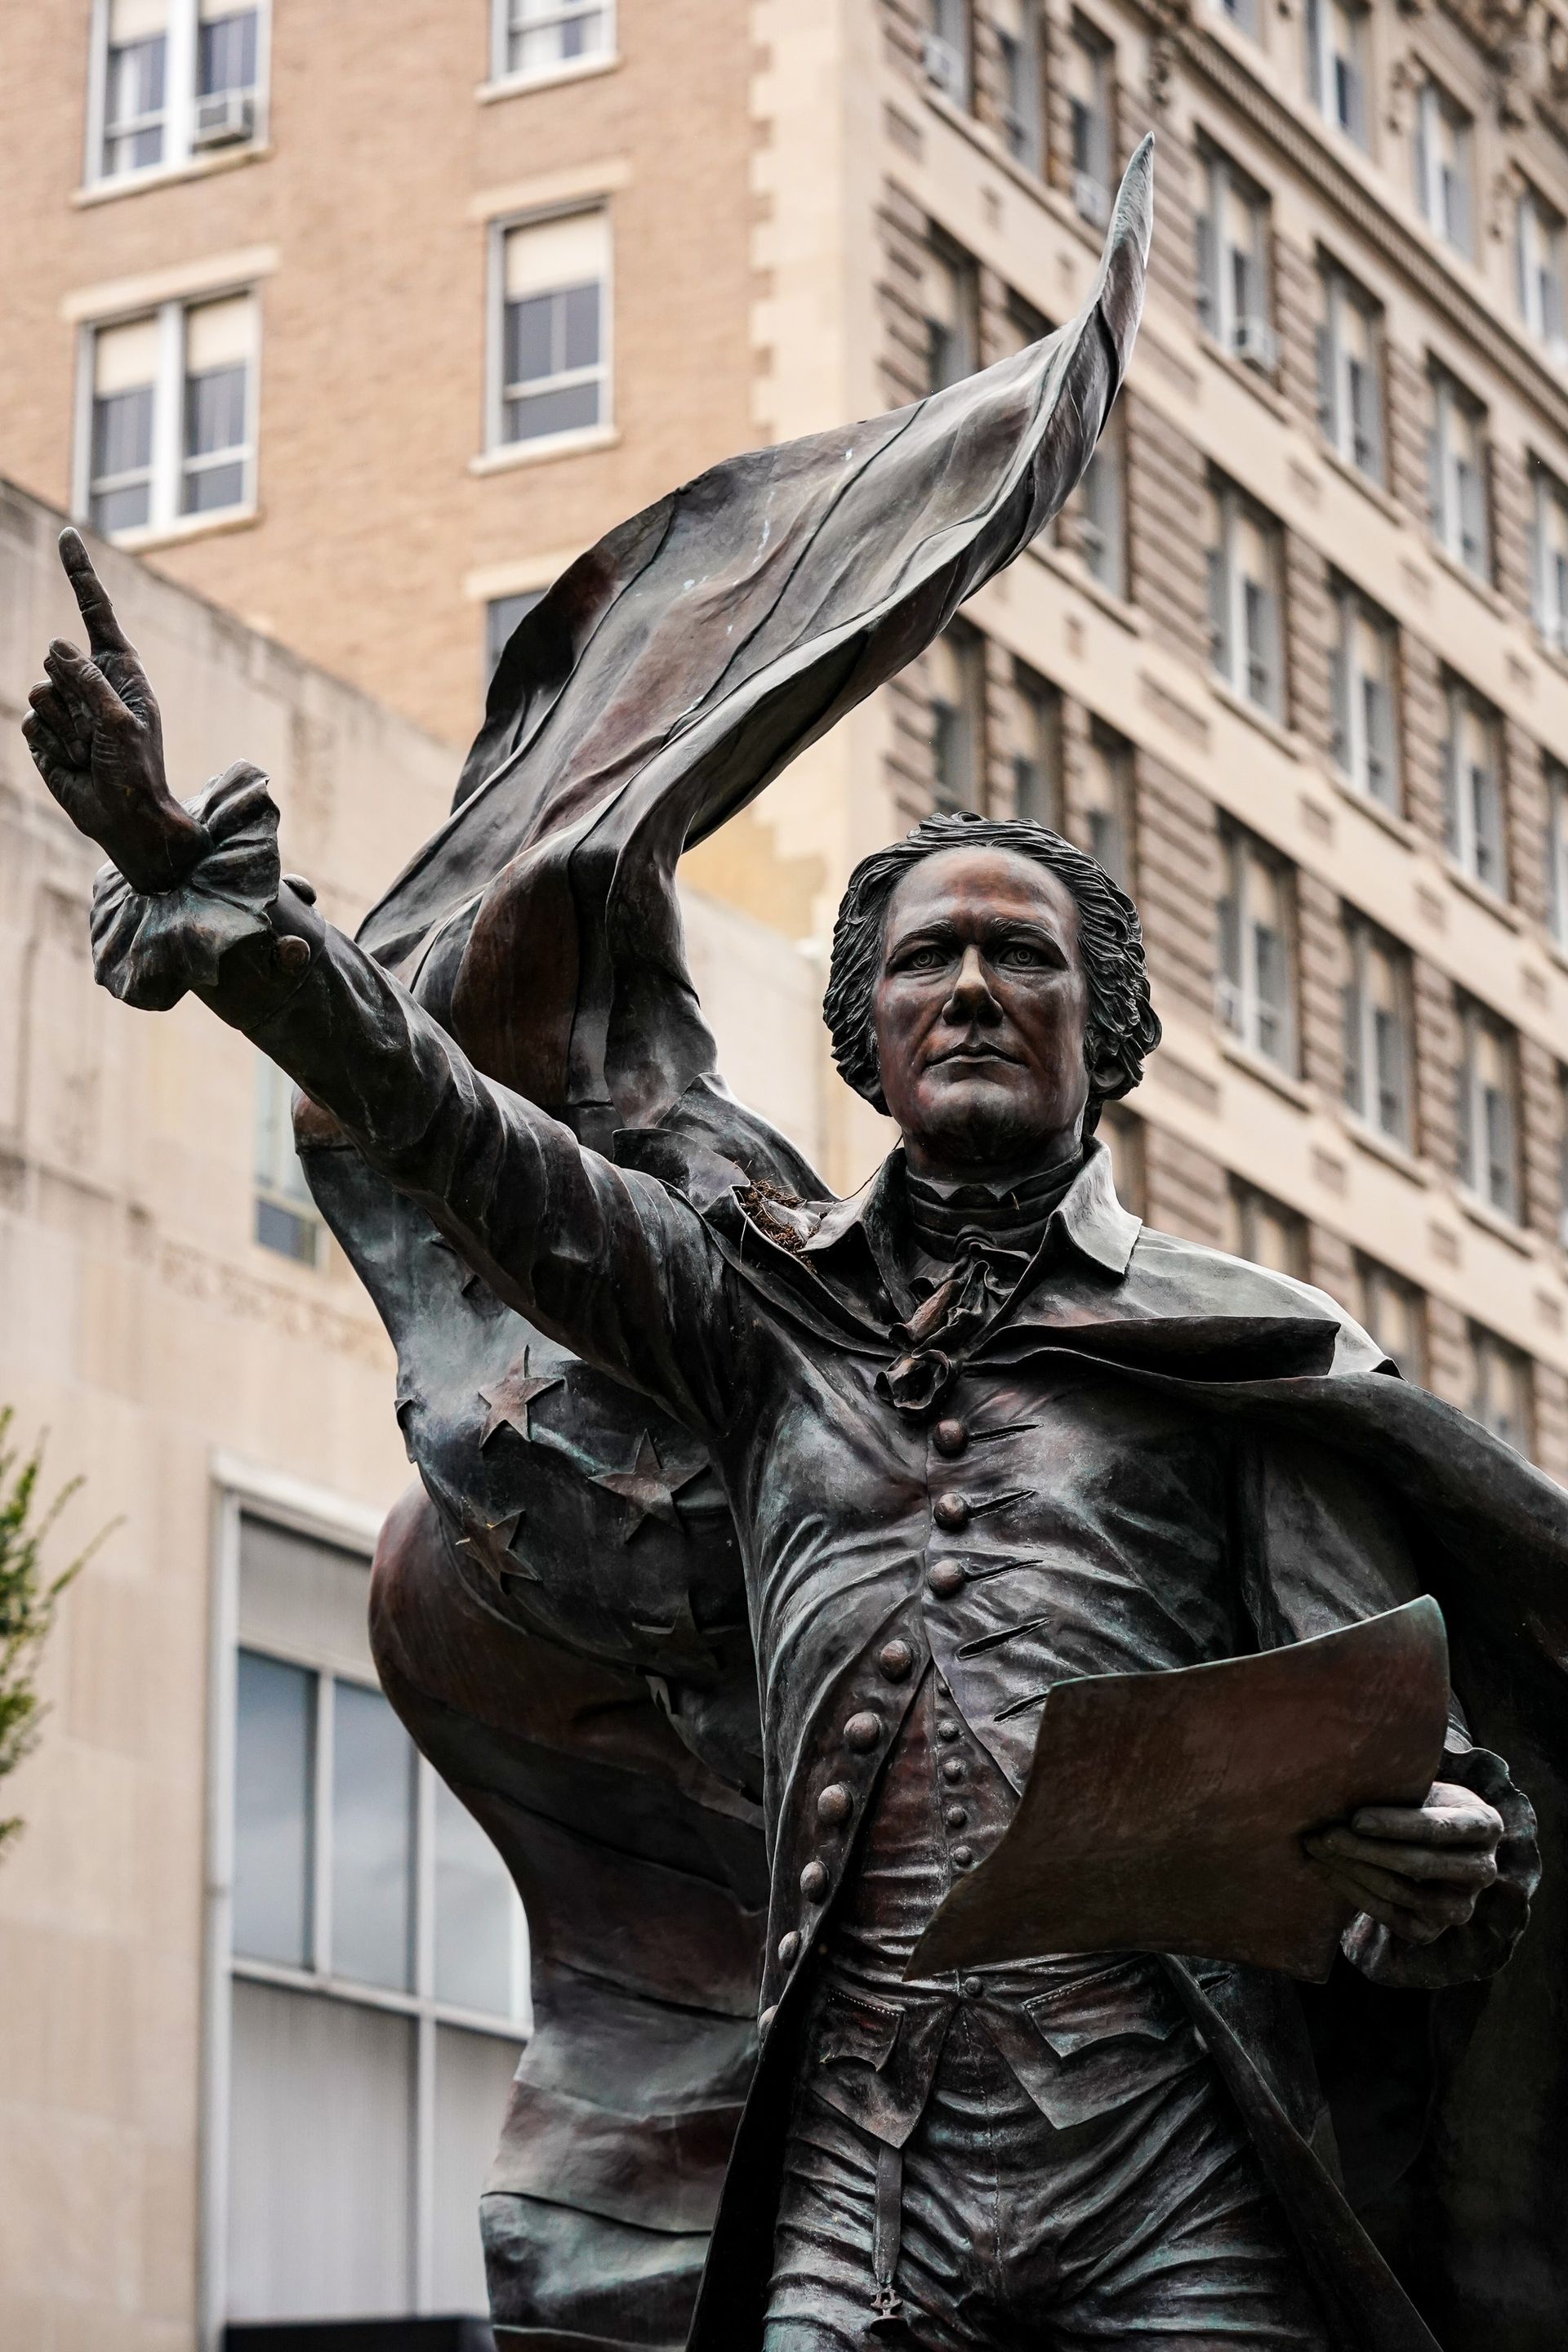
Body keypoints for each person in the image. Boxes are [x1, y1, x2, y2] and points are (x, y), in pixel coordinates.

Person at [23, 532, 1539, 2350]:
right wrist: (245, 929)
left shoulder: (1233, 1358)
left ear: (1106, 1031)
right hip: (856, 2180)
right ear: (868, 1037)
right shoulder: (757, 1321)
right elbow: (478, 1146)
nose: (970, 988)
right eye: (926, 963)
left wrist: (1438, 1857)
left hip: (1180, 2188)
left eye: (1022, 959)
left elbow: (1422, 1773)